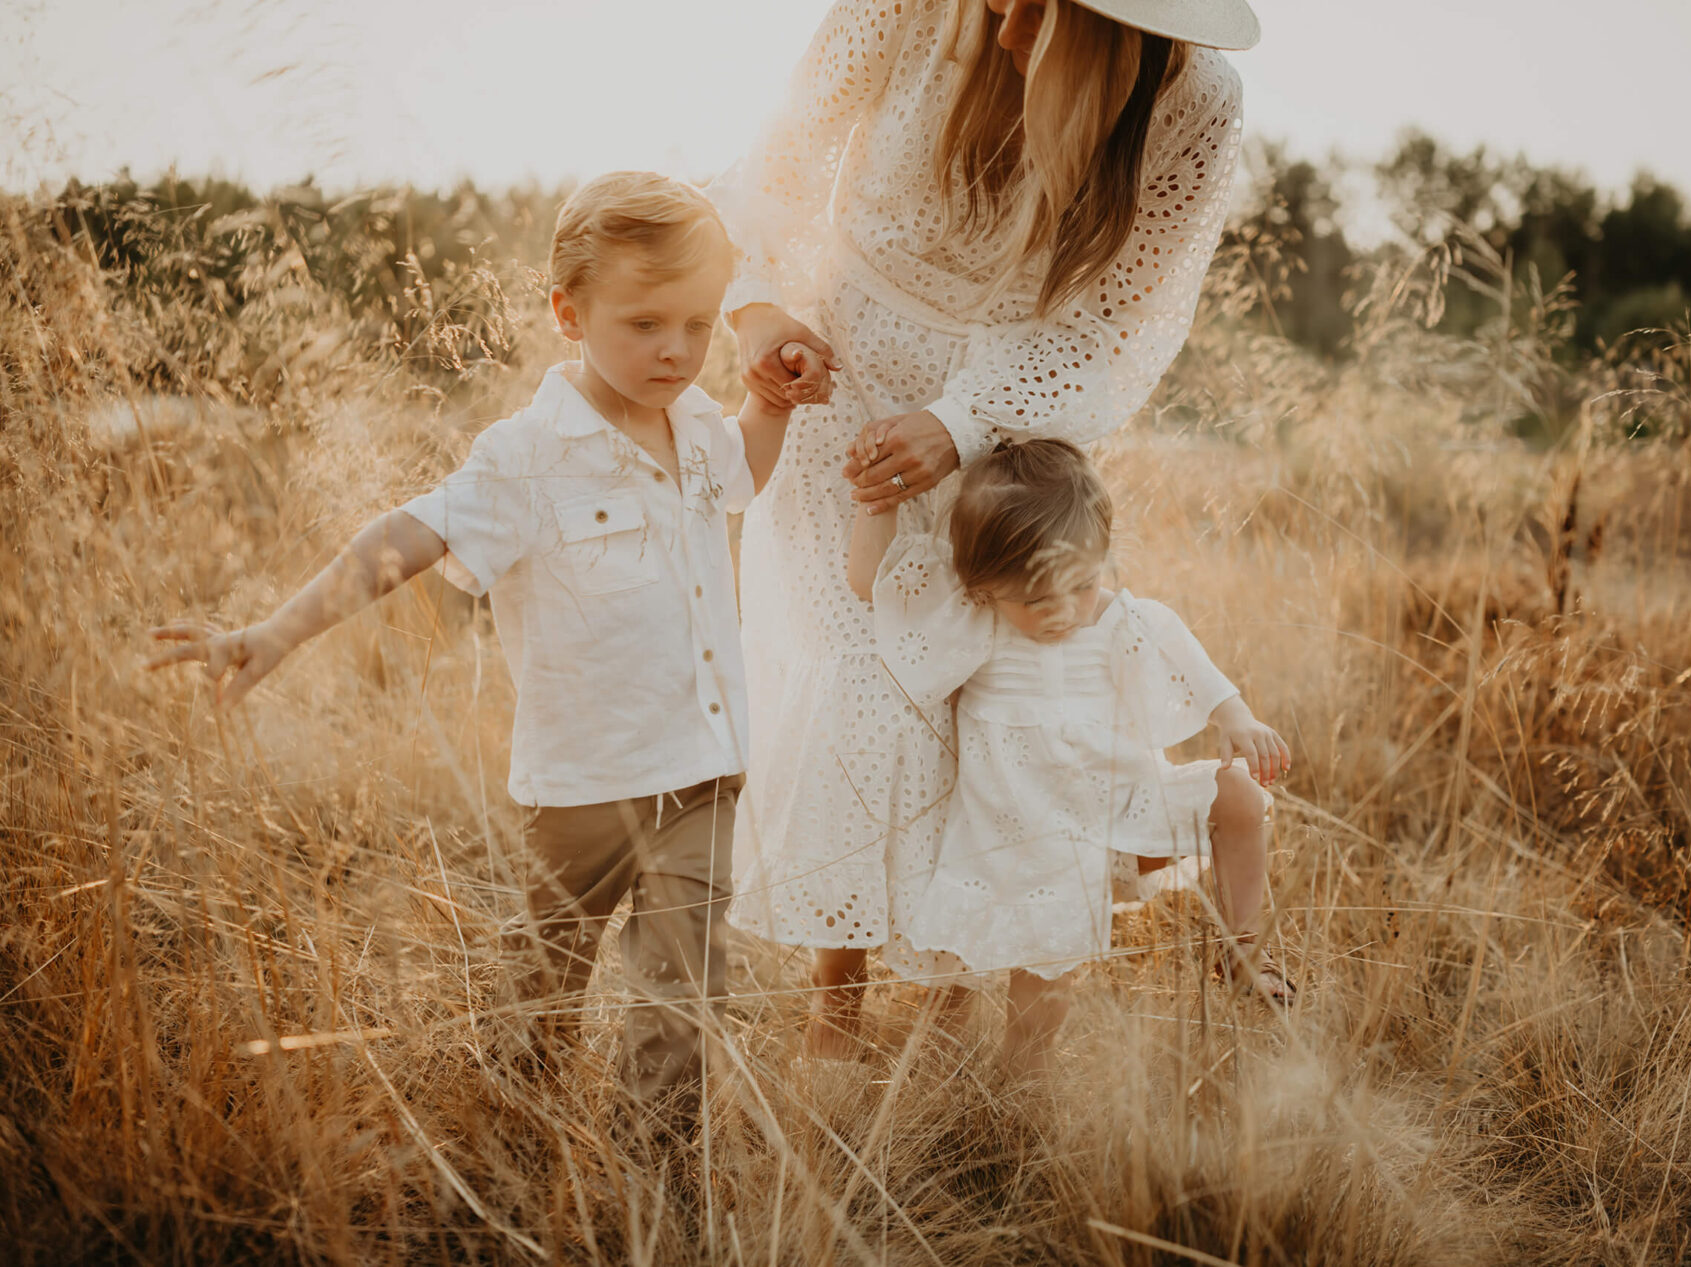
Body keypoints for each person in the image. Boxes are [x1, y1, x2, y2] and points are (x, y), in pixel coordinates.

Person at [145, 171, 830, 1105]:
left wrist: (773, 406)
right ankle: (514, 1129)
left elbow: (743, 471)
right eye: (644, 324)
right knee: (538, 994)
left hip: (702, 773)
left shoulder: (698, 423)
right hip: (581, 789)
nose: (677, 350)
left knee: (682, 1009)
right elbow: (403, 539)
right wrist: (275, 630)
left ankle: (659, 1184)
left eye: (698, 325)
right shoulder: (526, 458)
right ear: (567, 312)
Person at [713, 0, 1262, 1055]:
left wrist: (963, 423)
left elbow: (1119, 324)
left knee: (982, 706)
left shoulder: (1194, 102)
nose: (1005, 25)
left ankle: (957, 1004)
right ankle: (836, 1012)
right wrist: (763, 313)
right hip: (841, 387)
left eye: (1039, 12)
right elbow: (773, 168)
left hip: (1010, 434)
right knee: (858, 681)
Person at [846, 437, 1291, 1074]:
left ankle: (1246, 951)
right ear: (983, 588)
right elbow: (875, 583)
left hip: (1126, 812)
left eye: (1079, 586)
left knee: (1240, 796)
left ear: (1102, 560)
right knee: (1041, 1002)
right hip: (1034, 843)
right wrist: (877, 498)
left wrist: (1237, 718)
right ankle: (1013, 1093)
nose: (1060, 612)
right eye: (1034, 600)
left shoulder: (1124, 620)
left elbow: (1190, 661)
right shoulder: (975, 622)